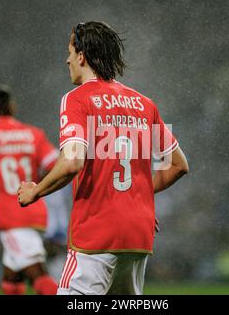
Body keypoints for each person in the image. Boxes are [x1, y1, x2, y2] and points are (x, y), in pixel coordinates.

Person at [18, 21, 189, 295]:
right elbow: (180, 165)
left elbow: (72, 162)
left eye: (70, 52)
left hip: (96, 236)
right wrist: (138, 194)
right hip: (137, 238)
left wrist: (36, 191)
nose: (67, 60)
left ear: (82, 56)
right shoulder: (145, 104)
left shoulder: (77, 99)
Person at [0, 85, 59, 295]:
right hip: (34, 211)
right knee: (12, 277)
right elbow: (56, 166)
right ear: (10, 106)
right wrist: (37, 187)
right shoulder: (32, 134)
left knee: (39, 277)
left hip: (10, 216)